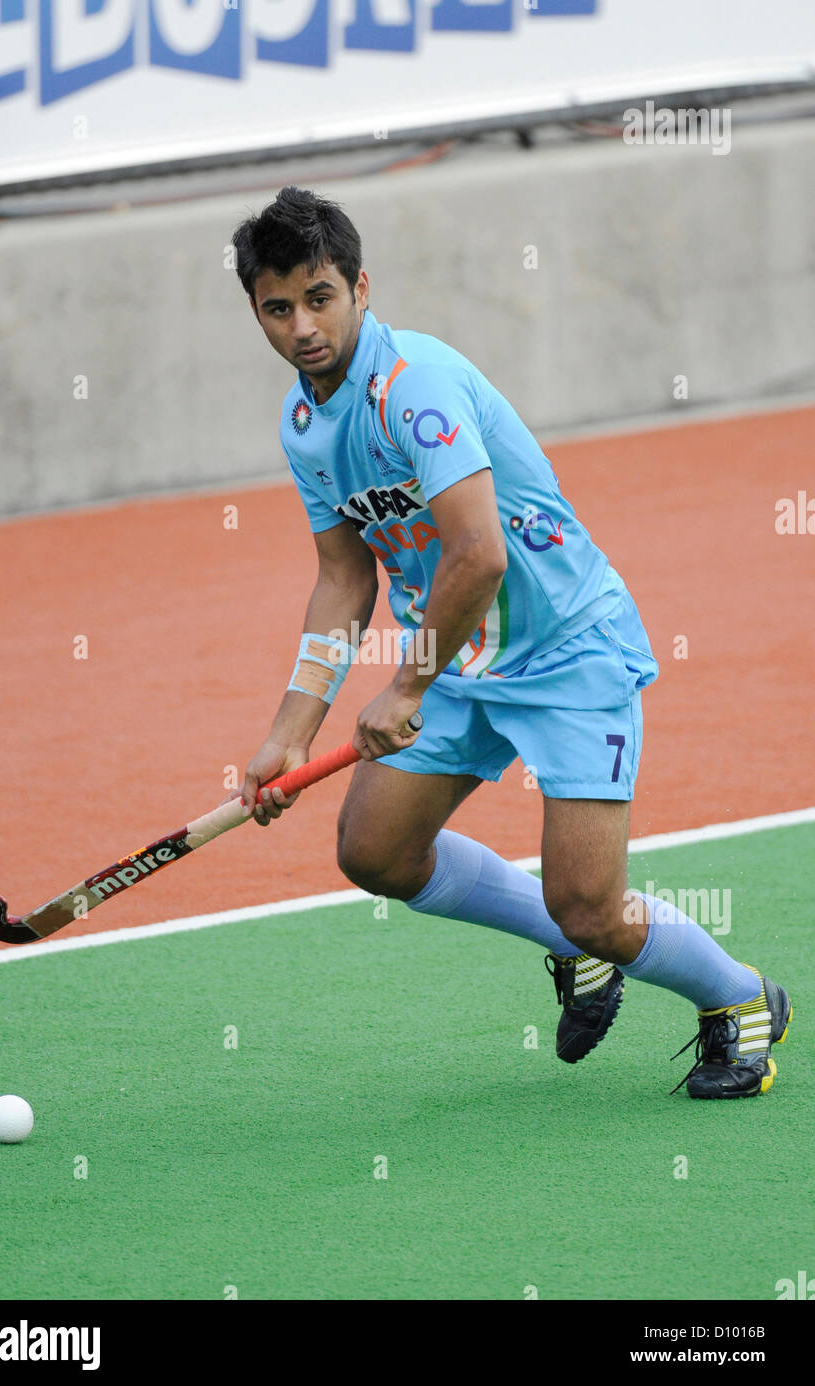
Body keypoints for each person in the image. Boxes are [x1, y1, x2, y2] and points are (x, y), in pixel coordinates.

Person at [228, 186, 791, 1099]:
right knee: (375, 852)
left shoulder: (415, 389)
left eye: (319, 297)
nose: (302, 327)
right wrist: (291, 728)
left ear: (361, 287)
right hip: (456, 658)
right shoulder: (305, 426)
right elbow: (343, 579)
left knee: (591, 905)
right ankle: (576, 949)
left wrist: (405, 688)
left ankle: (740, 998)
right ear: (256, 311)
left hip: (568, 651)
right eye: (278, 307)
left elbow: (479, 555)